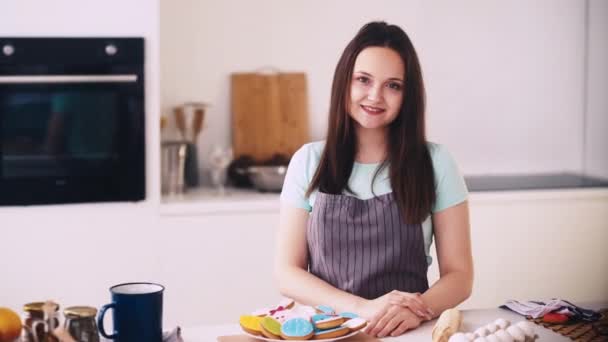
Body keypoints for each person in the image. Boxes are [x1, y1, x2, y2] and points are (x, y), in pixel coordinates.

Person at [274, 21, 473, 338]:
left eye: (393, 85)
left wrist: (414, 309)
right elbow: (287, 273)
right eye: (363, 80)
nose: (375, 96)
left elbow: (460, 275)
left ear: (408, 95)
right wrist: (361, 307)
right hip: (328, 333)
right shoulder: (308, 161)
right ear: (344, 83)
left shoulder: (436, 163)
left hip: (406, 332)